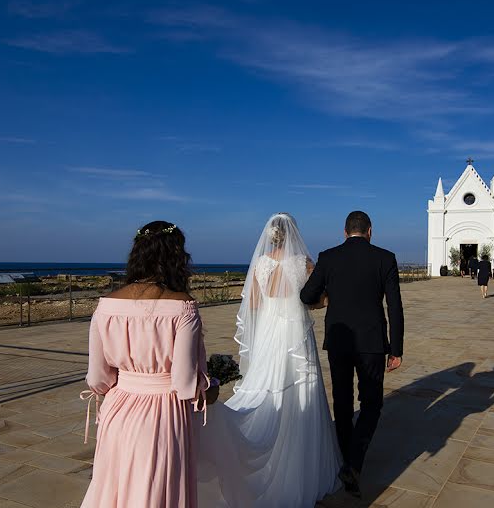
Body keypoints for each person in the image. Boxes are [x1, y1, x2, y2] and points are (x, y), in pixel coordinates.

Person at [198, 213, 341, 507]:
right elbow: (315, 299)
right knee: (300, 387)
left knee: (265, 385)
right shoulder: (303, 263)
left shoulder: (261, 264)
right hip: (294, 333)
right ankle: (300, 466)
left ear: (271, 236)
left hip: (267, 332)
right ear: (293, 235)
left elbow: (252, 303)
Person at [81, 221, 210, 508]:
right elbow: (184, 382)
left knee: (114, 489)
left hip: (117, 411)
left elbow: (97, 377)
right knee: (155, 492)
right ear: (176, 257)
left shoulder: (106, 305)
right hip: (163, 413)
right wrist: (206, 385)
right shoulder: (183, 306)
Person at [300, 211, 405, 499]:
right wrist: (395, 349)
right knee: (372, 404)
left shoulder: (328, 257)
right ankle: (353, 464)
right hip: (372, 342)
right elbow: (394, 306)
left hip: (339, 340)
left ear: (345, 232)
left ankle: (347, 463)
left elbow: (307, 295)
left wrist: (328, 297)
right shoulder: (385, 258)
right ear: (370, 231)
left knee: (343, 404)